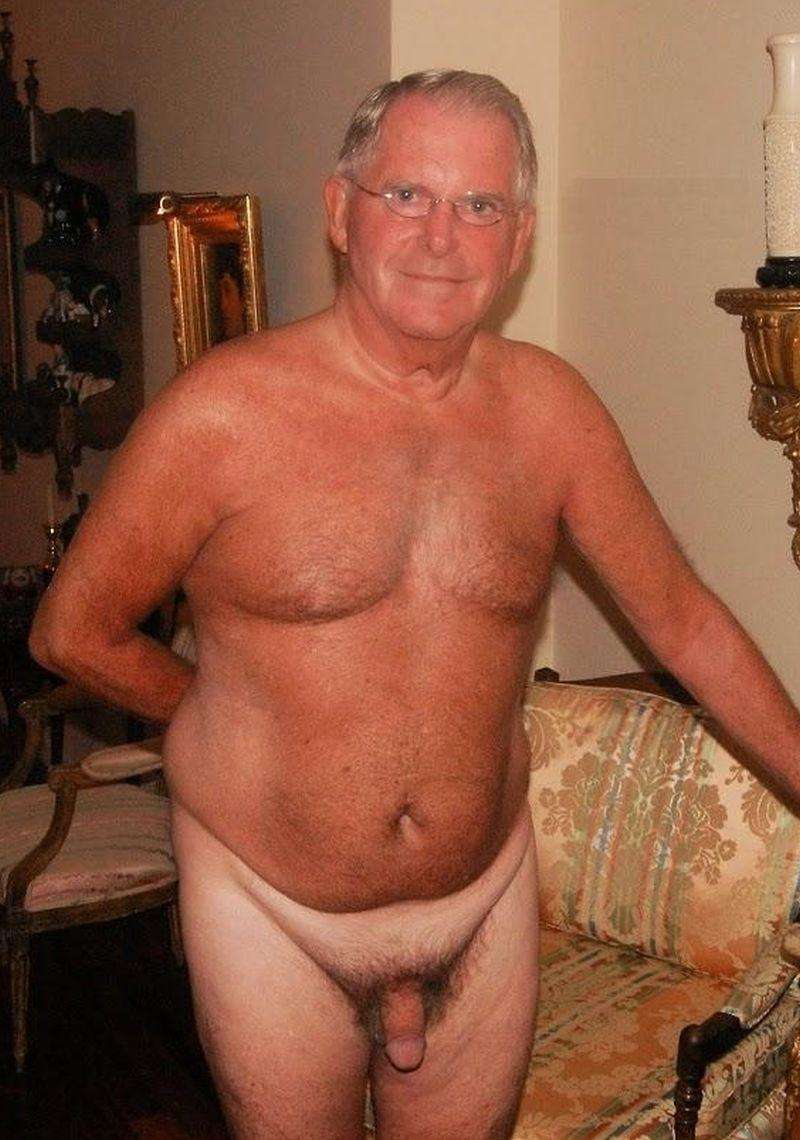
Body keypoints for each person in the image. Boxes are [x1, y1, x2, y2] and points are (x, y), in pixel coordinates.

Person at [29, 70, 800, 1140]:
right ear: (340, 213)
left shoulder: (552, 414)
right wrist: (218, 712)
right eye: (406, 195)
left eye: (479, 205)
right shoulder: (221, 415)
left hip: (481, 902)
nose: (442, 236)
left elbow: (687, 623)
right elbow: (73, 629)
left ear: (518, 239)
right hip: (273, 910)